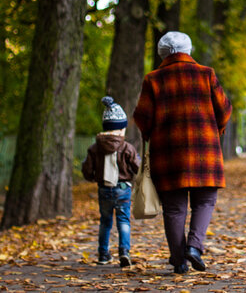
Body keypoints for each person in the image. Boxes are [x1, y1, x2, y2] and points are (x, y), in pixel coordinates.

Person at [133, 32, 232, 275]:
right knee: (205, 201)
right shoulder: (205, 74)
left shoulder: (153, 79)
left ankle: (179, 261)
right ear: (188, 50)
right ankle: (194, 248)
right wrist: (216, 128)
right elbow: (225, 109)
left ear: (162, 53)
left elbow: (142, 118)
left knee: (174, 208)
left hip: (168, 154)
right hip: (204, 151)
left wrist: (151, 132)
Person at [82, 96, 140, 268]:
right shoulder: (127, 147)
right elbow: (137, 167)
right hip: (123, 189)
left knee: (105, 221)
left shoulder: (94, 147)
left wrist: (93, 178)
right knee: (123, 220)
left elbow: (87, 169)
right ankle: (124, 251)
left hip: (104, 190)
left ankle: (103, 254)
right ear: (121, 128)